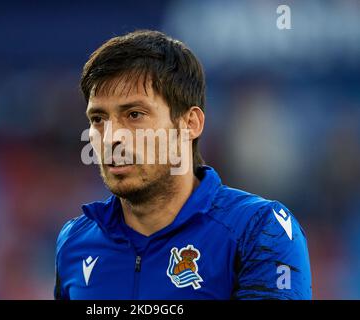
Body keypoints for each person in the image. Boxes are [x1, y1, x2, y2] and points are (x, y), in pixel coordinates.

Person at [54, 30, 311, 299]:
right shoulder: (75, 242)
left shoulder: (258, 229)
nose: (111, 137)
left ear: (190, 124)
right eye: (98, 118)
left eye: (134, 114)